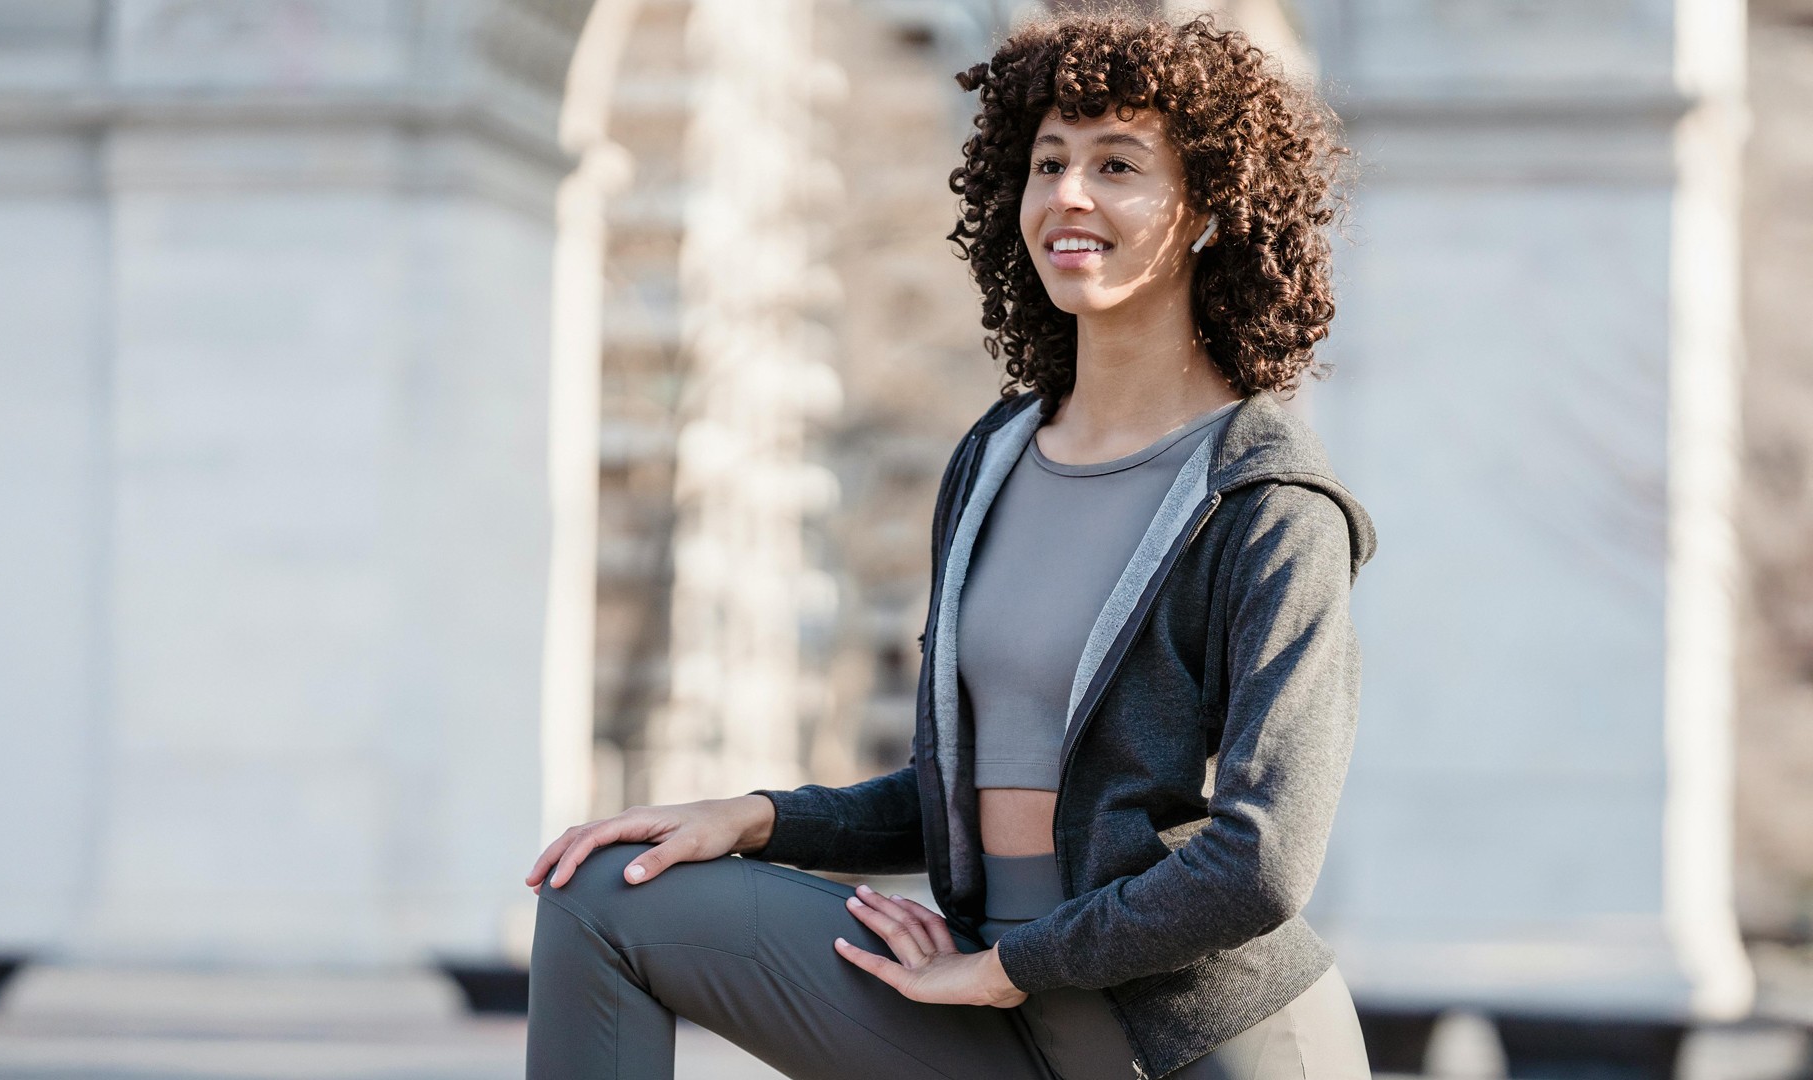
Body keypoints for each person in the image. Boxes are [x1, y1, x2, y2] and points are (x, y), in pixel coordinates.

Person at [523, 8, 1377, 1079]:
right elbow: (961, 787)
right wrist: (750, 818)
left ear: (1208, 207)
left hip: (1204, 1042)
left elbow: (1262, 861)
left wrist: (1015, 964)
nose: (1068, 195)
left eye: (1117, 165)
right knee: (605, 893)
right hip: (988, 997)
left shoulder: (1269, 502)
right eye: (1048, 162)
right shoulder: (995, 458)